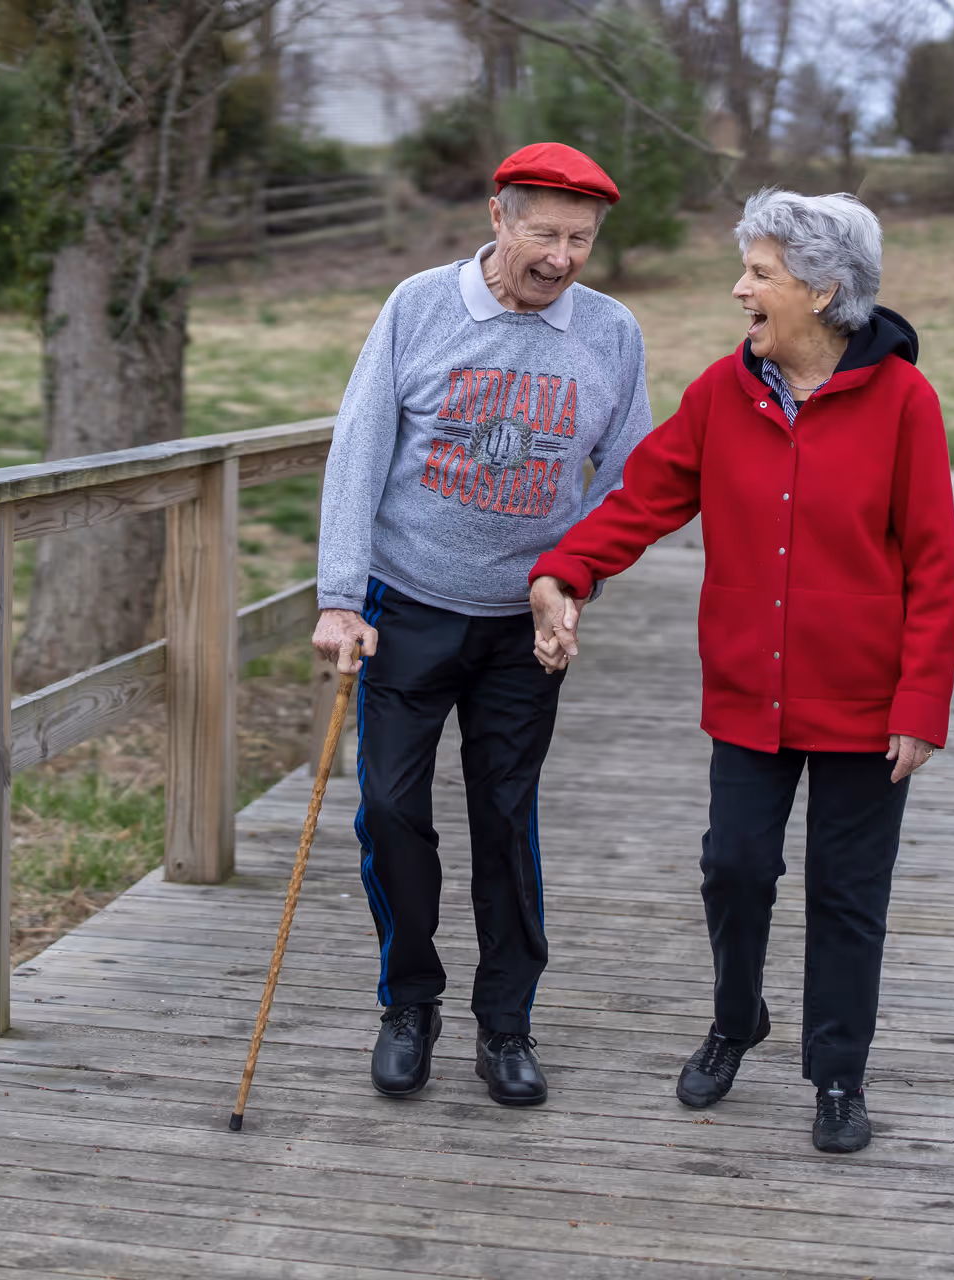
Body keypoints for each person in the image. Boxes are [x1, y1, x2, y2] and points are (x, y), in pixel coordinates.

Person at [527, 188, 954, 1152]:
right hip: (747, 692)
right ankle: (736, 1021)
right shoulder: (722, 394)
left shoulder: (904, 403)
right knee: (733, 869)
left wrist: (922, 700)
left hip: (864, 698)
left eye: (761, 274)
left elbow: (935, 563)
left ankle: (838, 1073)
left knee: (849, 894)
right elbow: (641, 498)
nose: (741, 290)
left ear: (824, 287)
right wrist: (566, 570)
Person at [313, 143, 656, 1107]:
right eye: (543, 233)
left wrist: (575, 582)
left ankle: (505, 1023)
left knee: (506, 820)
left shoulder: (611, 333)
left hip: (524, 619)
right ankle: (409, 1002)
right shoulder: (418, 306)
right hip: (407, 603)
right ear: (499, 219)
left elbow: (635, 478)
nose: (562, 257)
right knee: (390, 807)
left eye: (582, 240)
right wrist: (341, 593)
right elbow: (359, 447)